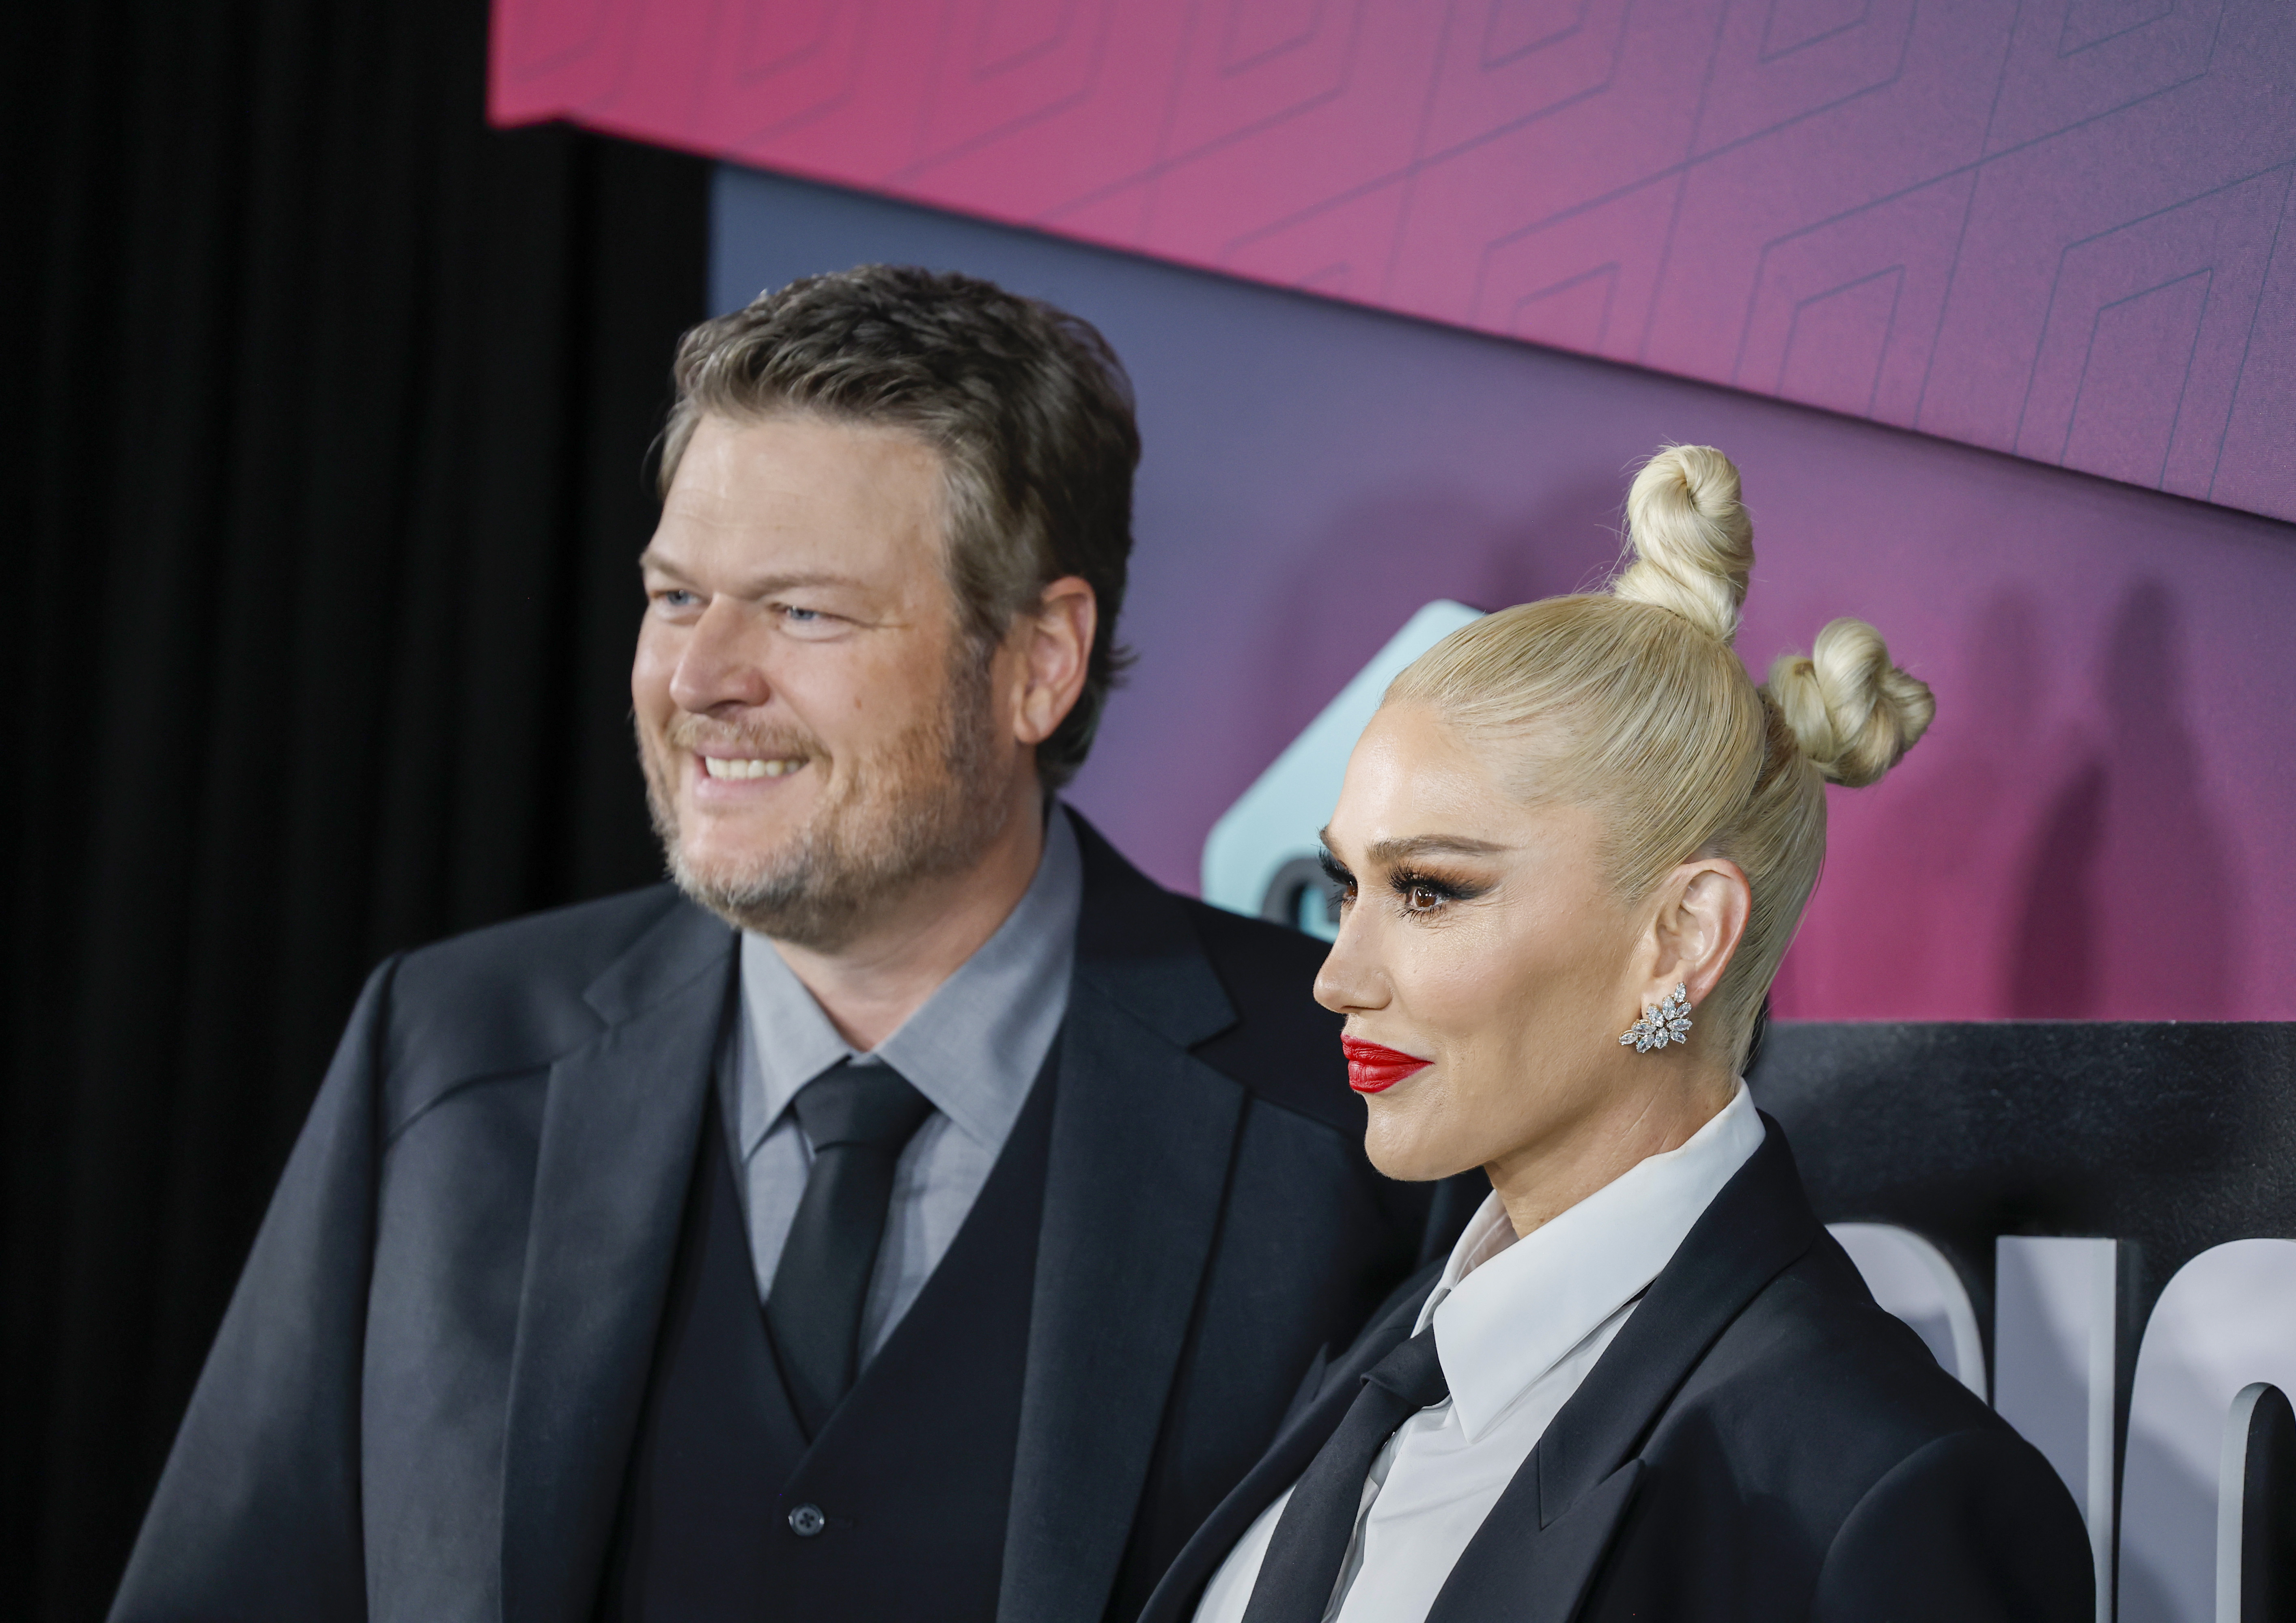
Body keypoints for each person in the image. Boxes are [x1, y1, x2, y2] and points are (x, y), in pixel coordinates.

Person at [110, 267, 1474, 1623]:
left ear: (1040, 661)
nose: (702, 679)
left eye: (805, 610)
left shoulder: (1342, 1122)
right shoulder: (448, 1053)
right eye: (676, 598)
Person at [1142, 446, 2095, 1623]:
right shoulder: (1383, 1355)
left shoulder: (1877, 1494)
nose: (1339, 976)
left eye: (1431, 891)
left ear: (1682, 935)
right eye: (1349, 886)